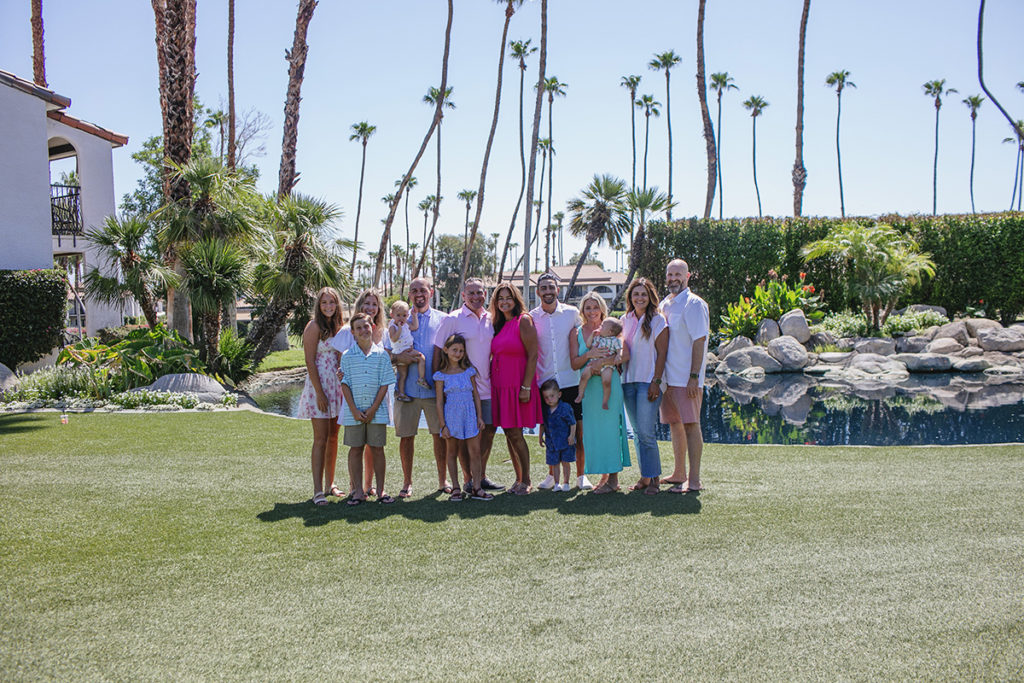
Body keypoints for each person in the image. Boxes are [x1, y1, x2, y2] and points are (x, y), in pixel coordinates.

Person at [433, 278, 504, 494]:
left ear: (485, 294)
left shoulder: (491, 318)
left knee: (489, 430)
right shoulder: (452, 319)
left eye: (480, 293)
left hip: (488, 386)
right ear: (463, 295)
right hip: (462, 389)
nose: (476, 297)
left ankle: (479, 476)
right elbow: (438, 348)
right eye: (471, 293)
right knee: (463, 437)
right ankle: (468, 478)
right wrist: (438, 381)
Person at [387, 277, 448, 498]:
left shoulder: (443, 319)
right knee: (406, 437)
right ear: (409, 294)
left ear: (431, 292)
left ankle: (443, 480)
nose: (419, 294)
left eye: (423, 290)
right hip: (407, 390)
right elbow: (386, 352)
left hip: (435, 390)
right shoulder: (397, 320)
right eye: (414, 291)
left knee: (439, 436)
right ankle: (407, 482)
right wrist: (397, 357)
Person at [530, 272, 591, 491]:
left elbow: (585, 335)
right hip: (546, 384)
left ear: (558, 290)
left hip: (571, 381)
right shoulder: (531, 317)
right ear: (538, 292)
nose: (547, 291)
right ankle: (551, 475)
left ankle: (581, 476)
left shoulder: (572, 313)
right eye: (543, 288)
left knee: (579, 432)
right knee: (551, 433)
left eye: (551, 287)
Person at [570, 292, 630, 494]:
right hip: (589, 389)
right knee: (594, 433)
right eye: (588, 307)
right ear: (583, 311)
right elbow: (574, 363)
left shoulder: (612, 328)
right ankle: (604, 477)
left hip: (608, 384)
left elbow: (624, 354)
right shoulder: (576, 332)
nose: (592, 311)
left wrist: (601, 362)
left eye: (596, 307)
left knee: (611, 430)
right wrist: (589, 355)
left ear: (602, 309)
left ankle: (613, 480)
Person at [659, 259, 710, 494]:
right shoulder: (665, 304)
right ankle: (679, 473)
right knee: (675, 425)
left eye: (678, 274)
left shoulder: (694, 304)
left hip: (687, 379)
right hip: (668, 380)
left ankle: (695, 479)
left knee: (691, 425)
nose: (673, 279)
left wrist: (693, 376)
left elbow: (699, 341)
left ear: (688, 276)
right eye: (670, 275)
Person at [332, 288, 388, 497]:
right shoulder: (348, 332)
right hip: (354, 399)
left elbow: (387, 363)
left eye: (374, 304)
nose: (370, 308)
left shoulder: (383, 332)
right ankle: (355, 488)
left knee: (375, 445)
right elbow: (342, 369)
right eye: (366, 304)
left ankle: (370, 485)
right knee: (356, 445)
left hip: (377, 399)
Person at [489, 282, 541, 495]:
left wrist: (526, 387)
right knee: (509, 433)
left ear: (516, 299)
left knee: (516, 433)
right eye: (500, 298)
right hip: (500, 386)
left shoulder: (524, 321)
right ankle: (518, 478)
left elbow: (533, 355)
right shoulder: (498, 324)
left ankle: (527, 480)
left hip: (518, 385)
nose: (504, 302)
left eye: (508, 298)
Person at [339, 313, 396, 505]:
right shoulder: (347, 356)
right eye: (359, 328)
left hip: (376, 412)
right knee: (355, 449)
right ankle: (357, 491)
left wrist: (372, 409)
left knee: (377, 449)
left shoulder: (382, 356)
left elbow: (384, 384)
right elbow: (345, 384)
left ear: (372, 327)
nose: (364, 330)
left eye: (366, 326)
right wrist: (354, 410)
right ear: (353, 333)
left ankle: (380, 490)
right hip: (353, 412)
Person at [620, 278, 668, 496]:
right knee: (637, 433)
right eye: (635, 294)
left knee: (647, 433)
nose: (639, 298)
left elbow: (662, 354)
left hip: (648, 382)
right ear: (630, 297)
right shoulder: (624, 319)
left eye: (644, 294)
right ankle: (645, 477)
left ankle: (655, 480)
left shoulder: (658, 320)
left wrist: (656, 382)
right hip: (628, 382)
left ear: (650, 297)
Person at [297, 287, 344, 505]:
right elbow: (309, 361)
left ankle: (330, 484)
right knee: (320, 439)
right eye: (324, 303)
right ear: (319, 305)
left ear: (337, 305)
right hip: (320, 387)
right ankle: (317, 490)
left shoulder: (339, 327)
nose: (328, 307)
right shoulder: (313, 326)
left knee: (334, 438)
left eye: (332, 303)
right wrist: (320, 393)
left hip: (337, 387)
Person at [433, 333, 493, 502]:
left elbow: (476, 396)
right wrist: (443, 425)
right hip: (451, 416)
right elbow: (439, 402)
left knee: (475, 452)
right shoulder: (441, 375)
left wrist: (480, 417)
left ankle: (476, 487)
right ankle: (456, 487)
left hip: (470, 415)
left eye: (461, 350)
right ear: (446, 350)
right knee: (452, 452)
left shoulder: (469, 372)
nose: (458, 353)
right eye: (454, 350)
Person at [575, 317, 624, 410]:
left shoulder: (615, 340)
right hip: (593, 362)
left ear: (610, 332)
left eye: (602, 326)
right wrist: (592, 335)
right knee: (584, 376)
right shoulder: (598, 338)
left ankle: (605, 401)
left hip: (608, 365)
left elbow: (619, 350)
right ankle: (581, 394)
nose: (600, 327)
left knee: (606, 382)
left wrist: (618, 355)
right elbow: (589, 345)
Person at [538, 379, 577, 492]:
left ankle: (566, 483)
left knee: (565, 462)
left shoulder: (565, 408)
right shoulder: (545, 410)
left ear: (559, 394)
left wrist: (571, 436)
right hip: (551, 443)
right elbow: (542, 425)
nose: (549, 400)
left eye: (552, 396)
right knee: (554, 463)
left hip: (565, 441)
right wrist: (540, 437)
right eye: (546, 397)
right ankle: (556, 483)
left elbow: (573, 423)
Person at [389, 299, 428, 402]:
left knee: (403, 375)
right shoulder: (393, 326)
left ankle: (402, 393)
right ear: (392, 315)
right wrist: (400, 329)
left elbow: (415, 326)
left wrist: (414, 315)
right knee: (421, 357)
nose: (401, 318)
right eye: (398, 315)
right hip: (401, 352)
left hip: (407, 350)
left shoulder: (406, 324)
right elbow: (393, 338)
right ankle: (421, 379)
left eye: (404, 315)